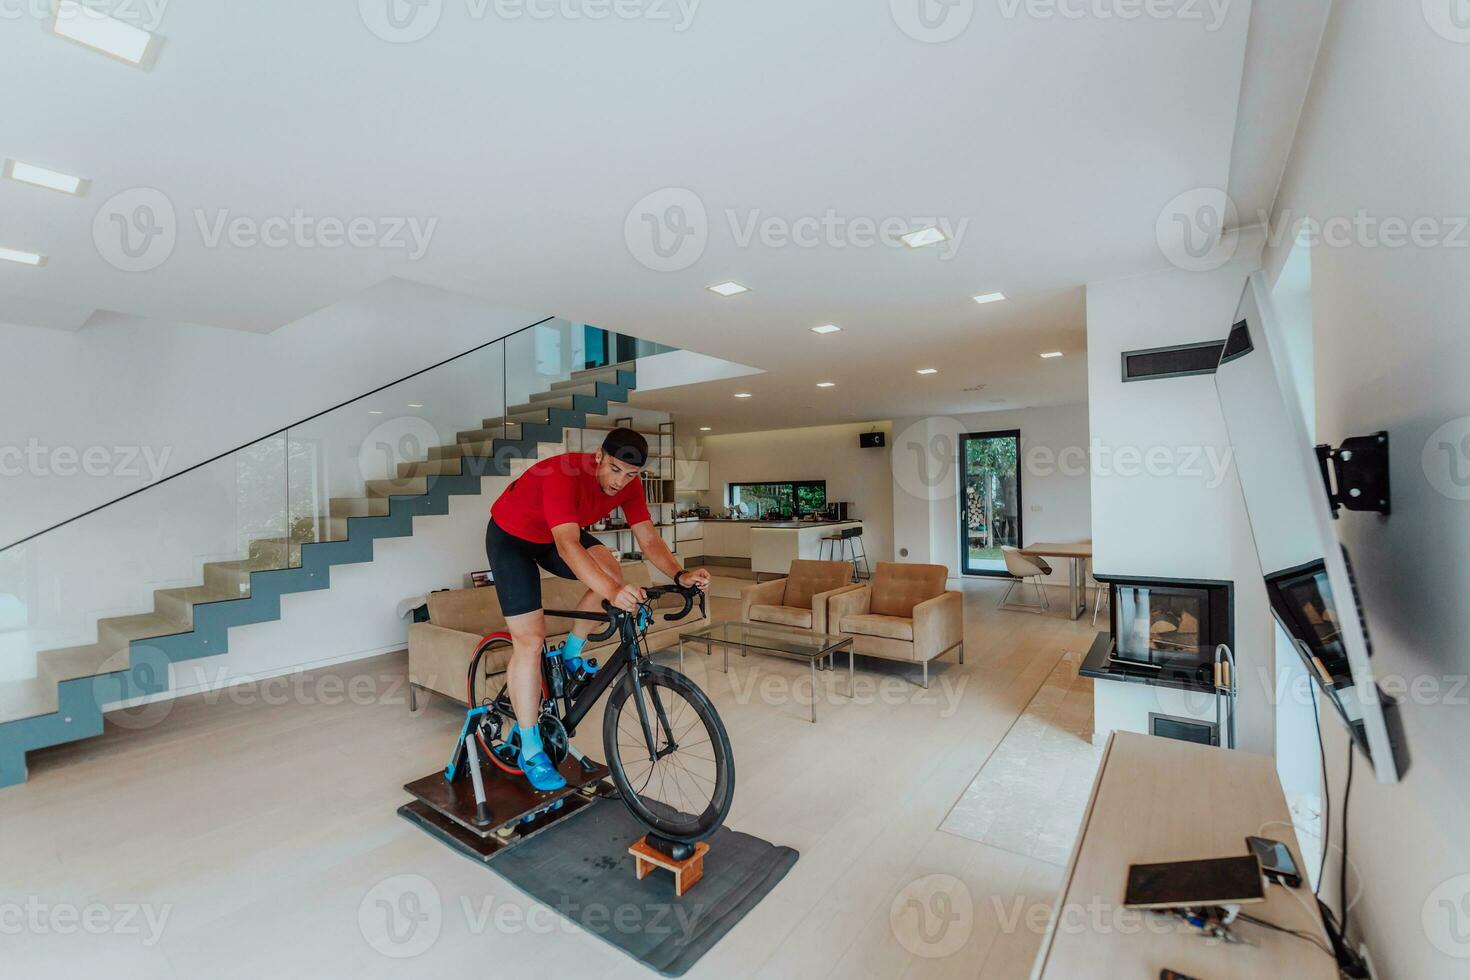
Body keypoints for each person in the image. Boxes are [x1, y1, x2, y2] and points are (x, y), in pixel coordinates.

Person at [485, 427, 710, 791]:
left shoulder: (631, 486)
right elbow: (568, 546)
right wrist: (612, 591)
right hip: (512, 538)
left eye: (631, 475)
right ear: (598, 458)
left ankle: (571, 654)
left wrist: (680, 574)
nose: (621, 481)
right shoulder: (563, 474)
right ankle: (529, 749)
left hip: (555, 535)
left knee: (611, 568)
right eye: (615, 469)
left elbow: (649, 538)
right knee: (530, 640)